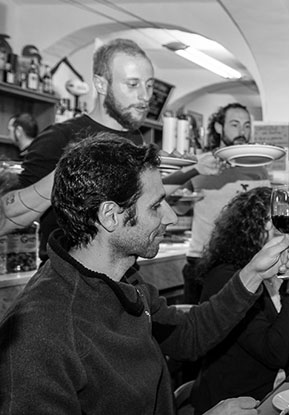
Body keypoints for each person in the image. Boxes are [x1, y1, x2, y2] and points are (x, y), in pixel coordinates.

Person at [0, 134, 289, 415]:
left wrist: (253, 274)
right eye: (157, 205)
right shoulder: (39, 331)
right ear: (110, 216)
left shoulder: (121, 280)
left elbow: (186, 336)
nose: (171, 216)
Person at [13, 38, 219, 261]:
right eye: (133, 84)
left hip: (124, 276)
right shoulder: (59, 137)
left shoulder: (134, 139)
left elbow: (139, 197)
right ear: (101, 84)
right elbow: (11, 214)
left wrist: (195, 168)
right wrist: (72, 170)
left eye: (149, 85)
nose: (144, 96)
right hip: (69, 279)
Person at [190, 189, 289, 415]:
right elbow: (273, 352)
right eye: (278, 227)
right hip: (237, 410)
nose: (288, 236)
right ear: (253, 231)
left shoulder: (272, 274)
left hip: (278, 393)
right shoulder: (229, 278)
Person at [181, 102, 269, 303]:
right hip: (202, 260)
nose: (242, 131)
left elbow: (262, 214)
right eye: (235, 124)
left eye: (247, 126)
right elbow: (178, 204)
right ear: (219, 128)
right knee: (196, 328)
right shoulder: (200, 164)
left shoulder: (258, 168)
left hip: (243, 261)